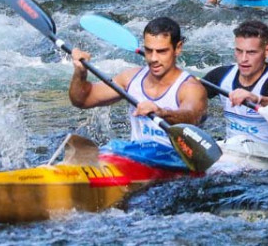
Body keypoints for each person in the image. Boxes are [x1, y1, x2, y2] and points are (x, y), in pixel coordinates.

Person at [68, 17, 208, 165]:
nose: (153, 58)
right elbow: (81, 100)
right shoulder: (130, 78)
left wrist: (161, 112)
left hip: (175, 162)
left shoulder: (191, 88)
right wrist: (80, 72)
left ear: (178, 48)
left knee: (115, 148)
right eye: (149, 50)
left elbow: (191, 117)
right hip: (137, 158)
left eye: (161, 51)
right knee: (103, 148)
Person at [201, 20, 268, 147]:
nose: (243, 59)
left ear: (267, 51)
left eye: (251, 52)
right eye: (239, 51)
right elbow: (189, 96)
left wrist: (257, 98)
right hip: (233, 150)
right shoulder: (221, 76)